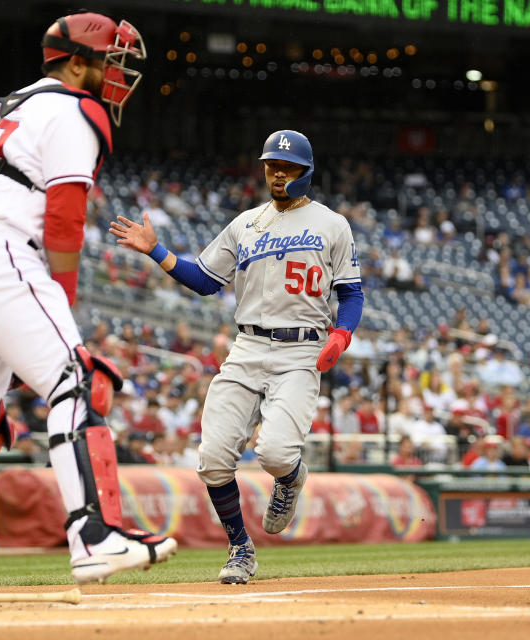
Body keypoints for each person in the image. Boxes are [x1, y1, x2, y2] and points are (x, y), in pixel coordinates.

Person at [0, 12, 174, 612]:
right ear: (77, 63)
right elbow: (65, 216)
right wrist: (54, 301)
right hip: (6, 255)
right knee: (79, 380)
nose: (117, 77)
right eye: (110, 62)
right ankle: (95, 534)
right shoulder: (76, 109)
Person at [110, 129, 364, 584]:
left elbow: (351, 293)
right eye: (272, 166)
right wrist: (156, 251)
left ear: (306, 172)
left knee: (276, 452)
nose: (279, 173)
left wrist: (342, 335)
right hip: (247, 346)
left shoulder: (332, 225)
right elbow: (207, 280)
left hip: (301, 349)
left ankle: (290, 478)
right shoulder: (245, 223)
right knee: (211, 458)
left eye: (288, 167)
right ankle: (240, 550)